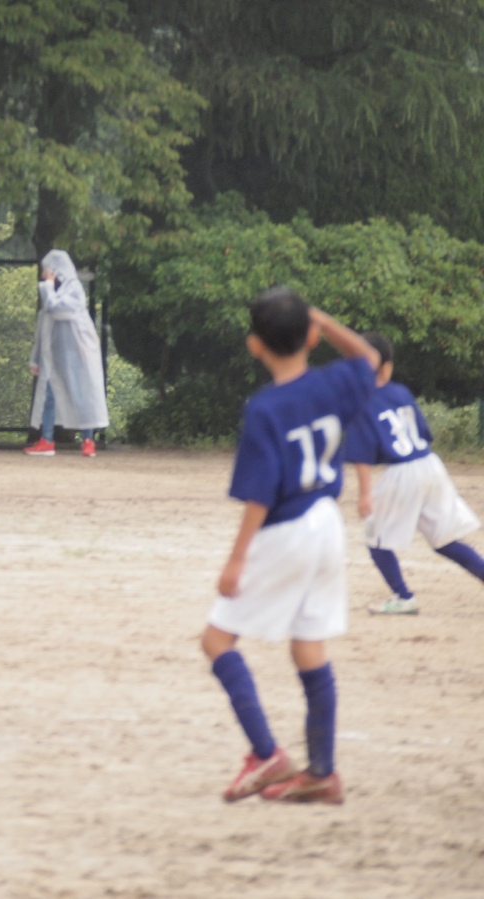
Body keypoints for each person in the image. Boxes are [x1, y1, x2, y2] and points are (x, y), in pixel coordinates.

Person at [201, 287, 378, 805]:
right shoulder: (335, 381)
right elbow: (368, 357)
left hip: (289, 529)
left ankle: (266, 754)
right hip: (327, 522)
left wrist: (236, 559)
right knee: (308, 646)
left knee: (216, 640)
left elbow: (259, 495)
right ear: (313, 335)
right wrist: (321, 317)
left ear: (255, 345)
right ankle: (321, 772)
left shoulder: (265, 407)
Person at [345, 332, 484, 615]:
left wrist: (364, 495)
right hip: (430, 464)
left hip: (402, 472)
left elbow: (362, 456)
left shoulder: (360, 401)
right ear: (387, 367)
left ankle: (403, 596)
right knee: (444, 541)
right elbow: (424, 434)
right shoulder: (400, 392)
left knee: (376, 538)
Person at [25, 249, 108, 458]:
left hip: (77, 353)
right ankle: (47, 440)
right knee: (50, 396)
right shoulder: (53, 292)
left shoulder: (73, 290)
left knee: (81, 394)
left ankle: (88, 440)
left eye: (47, 270)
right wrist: (36, 359)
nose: (44, 274)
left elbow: (56, 308)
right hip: (55, 356)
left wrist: (48, 285)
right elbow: (43, 326)